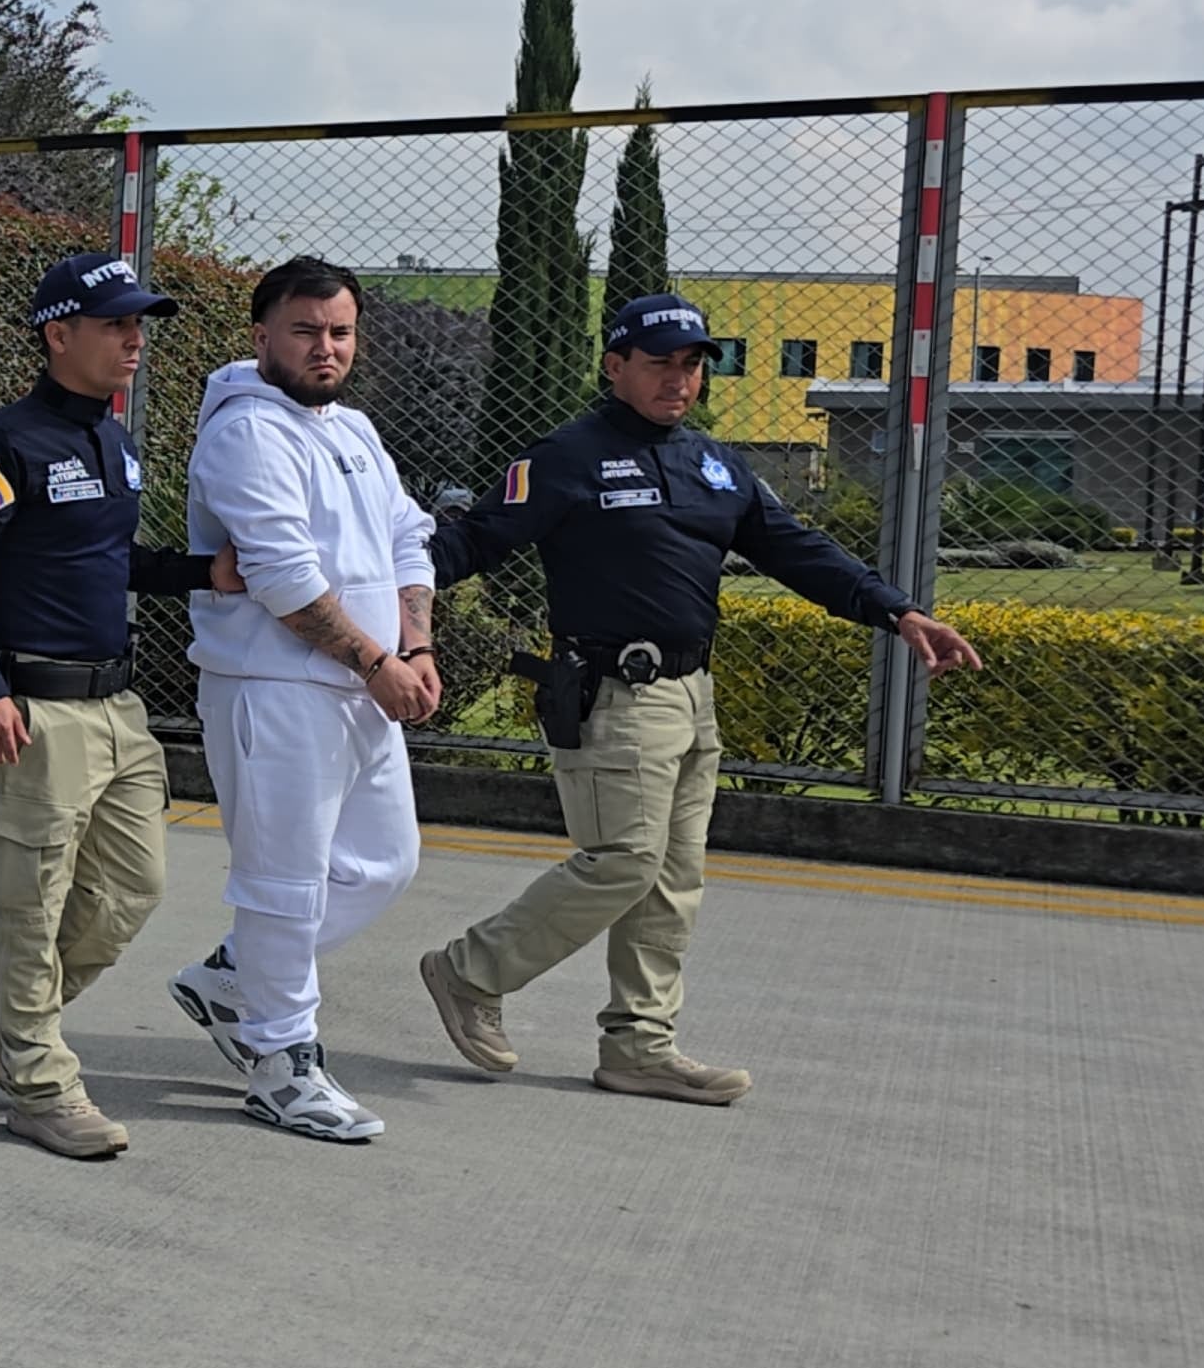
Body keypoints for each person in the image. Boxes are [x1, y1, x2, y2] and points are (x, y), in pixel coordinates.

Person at [403, 293, 985, 1106]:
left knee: (672, 878)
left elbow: (795, 549)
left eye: (692, 364)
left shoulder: (714, 463)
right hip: (615, 694)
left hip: (692, 694)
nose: (679, 379)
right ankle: (468, 971)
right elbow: (474, 540)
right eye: (659, 363)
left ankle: (640, 1046)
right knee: (623, 862)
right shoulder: (568, 456)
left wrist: (896, 609)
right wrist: (390, 596)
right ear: (614, 369)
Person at [0, 251, 234, 1160]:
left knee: (133, 889)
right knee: (32, 902)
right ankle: (41, 1085)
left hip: (116, 706)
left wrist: (198, 573)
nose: (136, 339)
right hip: (33, 706)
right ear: (59, 334)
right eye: (115, 324)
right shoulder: (3, 443)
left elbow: (108, 559)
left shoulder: (115, 440)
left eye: (140, 324)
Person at [170, 257, 435, 1144]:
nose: (326, 348)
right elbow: (281, 575)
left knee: (383, 865)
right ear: (261, 337)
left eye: (340, 332)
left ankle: (233, 977)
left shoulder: (352, 427)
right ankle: (283, 1065)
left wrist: (418, 643)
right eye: (305, 330)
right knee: (283, 886)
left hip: (361, 688)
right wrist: (376, 663)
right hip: (275, 691)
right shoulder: (246, 432)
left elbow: (406, 533)